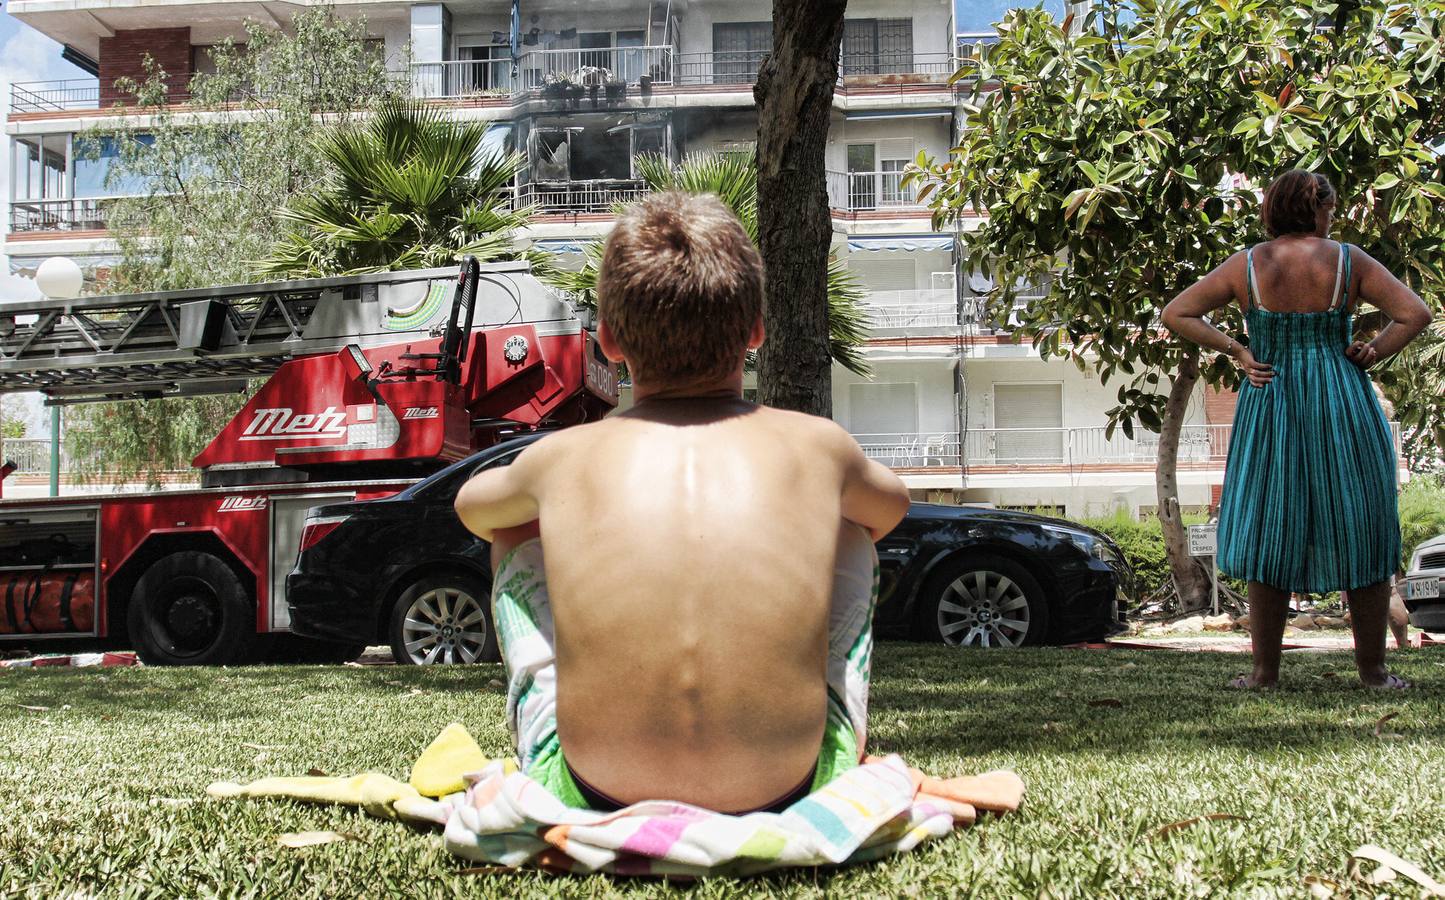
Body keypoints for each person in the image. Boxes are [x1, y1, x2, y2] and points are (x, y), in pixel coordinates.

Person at [454, 192, 911, 813]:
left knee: (514, 531)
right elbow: (891, 508)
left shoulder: (562, 458)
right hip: (793, 783)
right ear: (755, 331)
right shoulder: (818, 446)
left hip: (594, 784)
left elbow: (471, 509)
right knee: (849, 527)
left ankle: (578, 740)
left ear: (610, 340)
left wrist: (555, 507)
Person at [1162, 170, 1432, 690]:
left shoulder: (1248, 265)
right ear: (1320, 210)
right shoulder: (1348, 260)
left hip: (1273, 398)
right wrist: (1373, 350)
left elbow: (1179, 312)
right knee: (1361, 521)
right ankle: (1373, 673)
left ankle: (1264, 673)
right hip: (1340, 397)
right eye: (1330, 209)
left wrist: (1239, 351)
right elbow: (1413, 313)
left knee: (1272, 523)